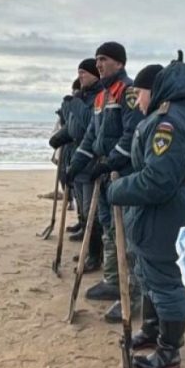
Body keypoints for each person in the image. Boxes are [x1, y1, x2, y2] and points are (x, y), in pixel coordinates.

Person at [109, 59, 185, 368]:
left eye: (139, 93)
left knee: (165, 280)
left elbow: (158, 180)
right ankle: (152, 329)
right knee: (149, 272)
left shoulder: (167, 122)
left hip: (164, 212)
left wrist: (118, 189)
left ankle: (169, 349)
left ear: (155, 91)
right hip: (178, 203)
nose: (137, 101)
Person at [66, 42, 144, 322]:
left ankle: (132, 290)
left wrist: (110, 161)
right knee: (108, 226)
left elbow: (132, 134)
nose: (98, 64)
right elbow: (91, 136)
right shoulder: (101, 96)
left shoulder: (128, 92)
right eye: (97, 59)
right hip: (103, 173)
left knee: (127, 232)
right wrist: (77, 164)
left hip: (123, 173)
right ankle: (113, 278)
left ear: (119, 63)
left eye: (104, 59)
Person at [50, 58, 104, 270]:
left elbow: (88, 124)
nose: (80, 76)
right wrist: (59, 137)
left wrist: (74, 104)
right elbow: (73, 127)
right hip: (76, 157)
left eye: (84, 72)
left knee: (92, 210)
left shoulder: (98, 97)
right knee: (82, 205)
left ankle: (95, 255)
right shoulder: (82, 96)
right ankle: (88, 248)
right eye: (79, 72)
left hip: (90, 159)